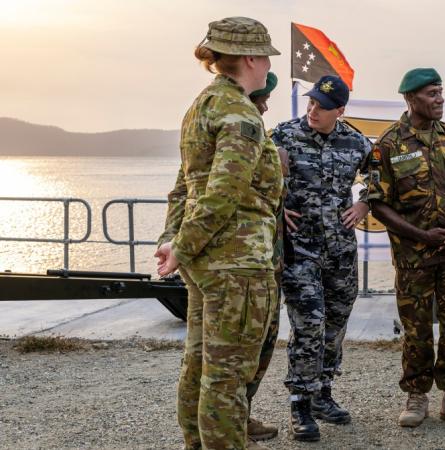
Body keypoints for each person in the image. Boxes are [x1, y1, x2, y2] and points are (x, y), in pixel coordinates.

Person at [154, 17, 282, 450]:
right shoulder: (239, 112)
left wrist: (174, 242)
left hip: (207, 261)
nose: (267, 65)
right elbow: (225, 193)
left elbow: (184, 188)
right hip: (237, 263)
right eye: (265, 57)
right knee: (228, 376)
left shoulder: (202, 105)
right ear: (250, 57)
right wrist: (180, 246)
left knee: (199, 364)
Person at [368, 68, 445, 430]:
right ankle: (416, 394)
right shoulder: (388, 145)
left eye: (441, 92)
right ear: (411, 99)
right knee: (416, 329)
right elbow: (378, 204)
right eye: (432, 94)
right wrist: (420, 235)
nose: (440, 99)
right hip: (415, 256)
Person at [270, 75, 372, 442]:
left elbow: (381, 177)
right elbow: (256, 177)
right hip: (301, 250)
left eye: (322, 107)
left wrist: (364, 202)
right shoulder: (282, 136)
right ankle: (299, 403)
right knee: (309, 323)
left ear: (339, 111)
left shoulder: (356, 141)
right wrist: (277, 207)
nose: (313, 111)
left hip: (340, 251)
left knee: (335, 324)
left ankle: (322, 395)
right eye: (311, 103)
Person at [243, 71, 285, 441]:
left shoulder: (264, 143)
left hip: (270, 264)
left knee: (263, 344)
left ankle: (243, 415)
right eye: (261, 100)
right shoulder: (240, 138)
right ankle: (230, 423)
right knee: (240, 351)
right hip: (245, 265)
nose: (265, 106)